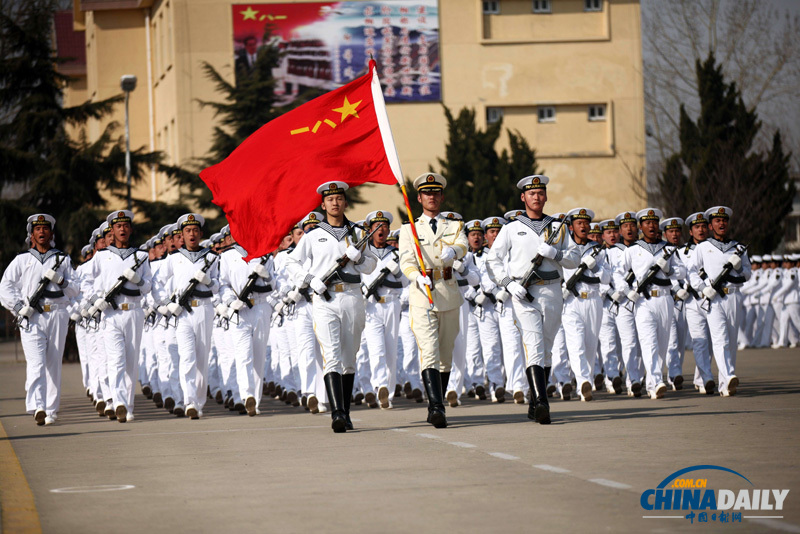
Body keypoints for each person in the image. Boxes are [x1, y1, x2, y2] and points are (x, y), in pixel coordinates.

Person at [486, 175, 580, 424]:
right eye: (531, 194)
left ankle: (534, 401)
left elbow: (575, 259)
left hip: (552, 290)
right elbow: (493, 260)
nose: (536, 197)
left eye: (540, 193)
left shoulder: (558, 226)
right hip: (524, 293)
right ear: (523, 197)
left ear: (545, 196)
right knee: (534, 344)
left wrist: (555, 253)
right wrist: (508, 284)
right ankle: (541, 402)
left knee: (546, 348)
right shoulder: (511, 228)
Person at [286, 182, 376, 432]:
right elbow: (292, 262)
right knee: (332, 356)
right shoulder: (313, 235)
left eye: (339, 198)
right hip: (325, 300)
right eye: (330, 199)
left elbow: (371, 266)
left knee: (349, 357)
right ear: (323, 205)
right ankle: (337, 414)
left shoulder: (358, 233)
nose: (335, 203)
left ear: (345, 202)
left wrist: (360, 258)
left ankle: (345, 412)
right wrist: (309, 279)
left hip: (352, 296)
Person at [398, 173, 468, 429]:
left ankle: (435, 404)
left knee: (445, 354)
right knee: (428, 351)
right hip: (422, 293)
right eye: (427, 193)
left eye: (436, 193)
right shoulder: (409, 228)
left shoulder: (454, 225)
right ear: (419, 198)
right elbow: (405, 260)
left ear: (441, 197)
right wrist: (416, 276)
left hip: (448, 291)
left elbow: (463, 244)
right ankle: (437, 407)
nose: (432, 197)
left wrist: (454, 250)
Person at [0, 214, 78, 426]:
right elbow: (5, 286)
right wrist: (18, 307)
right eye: (37, 229)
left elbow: (75, 290)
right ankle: (38, 406)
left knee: (53, 363)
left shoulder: (62, 259)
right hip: (32, 316)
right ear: (31, 235)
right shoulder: (22, 260)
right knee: (36, 363)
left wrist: (61, 281)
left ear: (51, 233)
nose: (42, 232)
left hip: (57, 314)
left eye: (45, 229)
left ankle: (51, 409)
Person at [84, 210, 153, 422]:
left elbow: (148, 287)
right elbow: (84, 281)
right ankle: (119, 402)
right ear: (112, 231)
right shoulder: (101, 256)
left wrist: (139, 281)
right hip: (111, 314)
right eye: (118, 226)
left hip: (134, 312)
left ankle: (128, 405)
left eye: (125, 226)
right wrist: (95, 300)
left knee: (131, 361)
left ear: (130, 229)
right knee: (115, 360)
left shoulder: (141, 257)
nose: (122, 229)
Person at [154, 214, 220, 419]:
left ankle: (199, 402)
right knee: (187, 358)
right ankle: (189, 401)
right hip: (182, 313)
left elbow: (220, 285)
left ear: (201, 233)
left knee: (202, 359)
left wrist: (209, 282)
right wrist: (167, 304)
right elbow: (157, 283)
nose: (192, 234)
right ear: (181, 235)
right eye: (188, 231)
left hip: (204, 310)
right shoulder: (174, 258)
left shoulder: (211, 257)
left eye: (195, 231)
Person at [616, 208, 686, 400]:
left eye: (655, 222)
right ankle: (656, 382)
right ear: (641, 226)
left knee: (662, 345)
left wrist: (669, 269)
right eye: (648, 223)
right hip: (643, 302)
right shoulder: (633, 249)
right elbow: (617, 272)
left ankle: (651, 383)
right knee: (649, 343)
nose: (652, 226)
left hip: (665, 299)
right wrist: (626, 290)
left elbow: (682, 271)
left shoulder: (668, 249)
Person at [689, 206, 751, 397]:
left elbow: (747, 274)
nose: (721, 223)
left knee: (731, 341)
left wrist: (739, 268)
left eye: (724, 220)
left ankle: (725, 384)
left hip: (733, 296)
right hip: (714, 298)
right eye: (717, 221)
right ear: (711, 226)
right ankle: (729, 375)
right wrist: (702, 288)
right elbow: (691, 272)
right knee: (720, 339)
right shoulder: (702, 247)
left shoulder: (738, 248)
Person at [218, 230, 276, 416]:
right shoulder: (228, 256)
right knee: (243, 355)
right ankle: (247, 395)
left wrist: (266, 276)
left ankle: (255, 401)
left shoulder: (264, 254)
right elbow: (223, 284)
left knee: (259, 356)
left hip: (260, 306)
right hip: (239, 309)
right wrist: (230, 301)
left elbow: (273, 286)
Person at [561, 208, 611, 402]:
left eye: (586, 223)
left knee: (590, 346)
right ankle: (583, 381)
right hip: (571, 301)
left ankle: (585, 385)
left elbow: (606, 278)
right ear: (571, 227)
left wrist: (595, 266)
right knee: (576, 344)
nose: (583, 226)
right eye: (579, 223)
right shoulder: (564, 248)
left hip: (593, 300)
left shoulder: (597, 250)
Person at [361, 210, 406, 409]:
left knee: (391, 351)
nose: (381, 230)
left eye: (385, 227)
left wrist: (397, 272)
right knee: (376, 349)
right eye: (377, 227)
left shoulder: (396, 254)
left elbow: (406, 282)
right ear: (370, 230)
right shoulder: (363, 254)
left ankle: (389, 391)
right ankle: (380, 386)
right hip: (371, 306)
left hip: (391, 304)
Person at [680, 212, 716, 394]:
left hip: (713, 298)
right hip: (693, 300)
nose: (701, 230)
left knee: (710, 341)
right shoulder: (682, 252)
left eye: (703, 226)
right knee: (699, 340)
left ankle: (701, 377)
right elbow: (677, 274)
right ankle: (706, 378)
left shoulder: (714, 248)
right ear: (690, 231)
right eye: (696, 227)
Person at [661, 216, 688, 390]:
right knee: (671, 340)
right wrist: (677, 287)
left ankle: (675, 372)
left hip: (686, 300)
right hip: (669, 298)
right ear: (665, 234)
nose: (675, 234)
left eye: (677, 231)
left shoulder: (686, 251)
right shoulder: (663, 251)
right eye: (671, 231)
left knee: (681, 340)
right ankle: (674, 373)